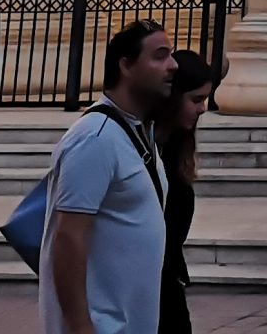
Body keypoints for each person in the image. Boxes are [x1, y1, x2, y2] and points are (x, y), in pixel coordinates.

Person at [42, 22, 171, 334]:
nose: (173, 65)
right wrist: (80, 325)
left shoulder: (137, 133)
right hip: (103, 325)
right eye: (160, 56)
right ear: (126, 66)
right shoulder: (95, 138)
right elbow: (68, 236)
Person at [155, 50, 221, 334]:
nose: (203, 108)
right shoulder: (149, 150)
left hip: (167, 278)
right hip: (151, 281)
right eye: (196, 99)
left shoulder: (175, 148)